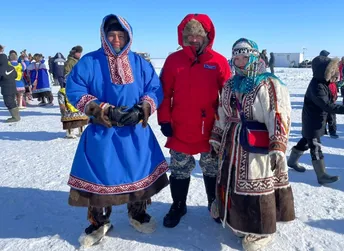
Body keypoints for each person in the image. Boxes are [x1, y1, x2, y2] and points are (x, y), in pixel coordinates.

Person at [65, 14, 169, 247]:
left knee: (139, 174)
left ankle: (138, 213)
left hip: (135, 132)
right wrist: (101, 109)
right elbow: (74, 89)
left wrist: (143, 108)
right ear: (104, 35)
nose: (116, 39)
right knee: (100, 177)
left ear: (128, 36)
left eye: (121, 35)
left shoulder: (140, 63)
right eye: (111, 34)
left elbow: (155, 88)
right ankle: (99, 222)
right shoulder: (89, 61)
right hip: (103, 132)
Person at [209, 38, 295, 251]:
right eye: (236, 57)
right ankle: (237, 222)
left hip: (257, 145)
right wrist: (216, 137)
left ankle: (260, 232)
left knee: (255, 182)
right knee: (231, 181)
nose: (239, 61)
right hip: (231, 140)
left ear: (254, 57)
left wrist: (278, 144)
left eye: (244, 57)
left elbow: (278, 114)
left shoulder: (268, 83)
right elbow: (221, 113)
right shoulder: (230, 83)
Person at [157, 13, 231, 228]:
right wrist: (164, 120)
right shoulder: (173, 60)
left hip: (210, 128)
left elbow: (227, 95)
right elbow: (164, 93)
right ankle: (179, 205)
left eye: (198, 35)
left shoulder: (218, 61)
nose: (194, 39)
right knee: (180, 168)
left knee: (212, 168)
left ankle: (213, 204)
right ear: (183, 36)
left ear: (207, 36)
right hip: (180, 126)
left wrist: (226, 123)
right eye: (189, 35)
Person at [287, 56, 344, 183]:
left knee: (306, 141)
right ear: (323, 72)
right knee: (315, 146)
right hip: (312, 121)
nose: (335, 73)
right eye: (331, 71)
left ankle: (292, 161)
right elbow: (327, 106)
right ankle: (321, 175)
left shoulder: (324, 83)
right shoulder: (317, 87)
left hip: (318, 119)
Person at [0, 53, 20, 122]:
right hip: (13, 87)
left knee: (8, 102)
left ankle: (15, 117)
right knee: (12, 101)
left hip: (6, 89)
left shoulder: (1, 69)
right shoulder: (11, 67)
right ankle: (16, 116)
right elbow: (16, 76)